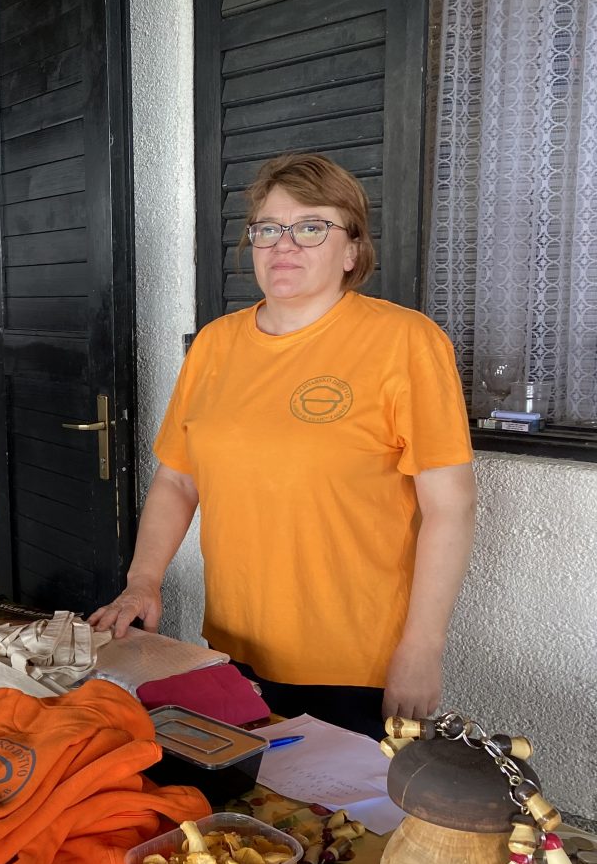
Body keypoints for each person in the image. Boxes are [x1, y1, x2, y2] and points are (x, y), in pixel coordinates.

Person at [91, 152, 476, 738]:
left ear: (352, 252)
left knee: (341, 800)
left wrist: (422, 646)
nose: (284, 245)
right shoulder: (215, 345)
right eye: (268, 228)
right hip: (233, 646)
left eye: (311, 227)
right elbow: (178, 478)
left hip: (353, 660)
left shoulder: (405, 342)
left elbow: (451, 506)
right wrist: (143, 579)